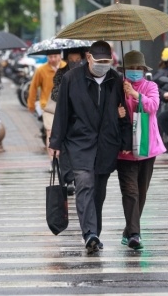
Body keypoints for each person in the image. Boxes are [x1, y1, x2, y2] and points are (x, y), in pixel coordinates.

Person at [48, 40, 132, 254]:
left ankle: (95, 233)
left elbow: (122, 112)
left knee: (99, 193)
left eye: (107, 61)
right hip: (79, 142)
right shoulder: (71, 79)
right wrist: (55, 142)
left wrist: (125, 141)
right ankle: (90, 234)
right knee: (84, 184)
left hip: (106, 143)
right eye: (99, 61)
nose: (104, 65)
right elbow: (62, 113)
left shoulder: (115, 79)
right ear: (88, 58)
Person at [116, 50, 166, 250]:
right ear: (125, 70)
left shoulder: (150, 86)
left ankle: (129, 229)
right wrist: (117, 111)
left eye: (139, 68)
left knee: (141, 192)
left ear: (144, 70)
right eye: (132, 69)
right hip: (125, 151)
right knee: (130, 192)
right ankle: (135, 235)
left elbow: (153, 106)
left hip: (147, 147)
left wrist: (135, 95)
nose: (135, 72)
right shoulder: (117, 87)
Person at [46, 48, 87, 195]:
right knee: (64, 149)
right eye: (71, 60)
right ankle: (68, 179)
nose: (74, 63)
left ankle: (79, 178)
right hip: (65, 116)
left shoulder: (87, 72)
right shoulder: (61, 73)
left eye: (77, 60)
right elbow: (55, 93)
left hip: (83, 118)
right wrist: (67, 92)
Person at [27, 49, 66, 151]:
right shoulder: (41, 70)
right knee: (49, 132)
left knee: (63, 133)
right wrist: (31, 105)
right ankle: (51, 161)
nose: (52, 59)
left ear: (60, 56)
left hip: (64, 106)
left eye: (55, 56)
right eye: (50, 57)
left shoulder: (66, 67)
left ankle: (60, 157)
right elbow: (33, 87)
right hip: (47, 107)